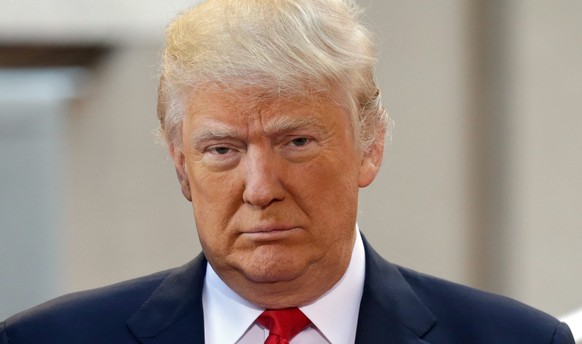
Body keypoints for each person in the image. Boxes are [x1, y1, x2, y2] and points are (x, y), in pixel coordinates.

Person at [0, 0, 575, 343]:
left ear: (369, 147)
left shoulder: (517, 340)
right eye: (223, 150)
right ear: (180, 166)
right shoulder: (45, 341)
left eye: (296, 141)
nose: (260, 188)